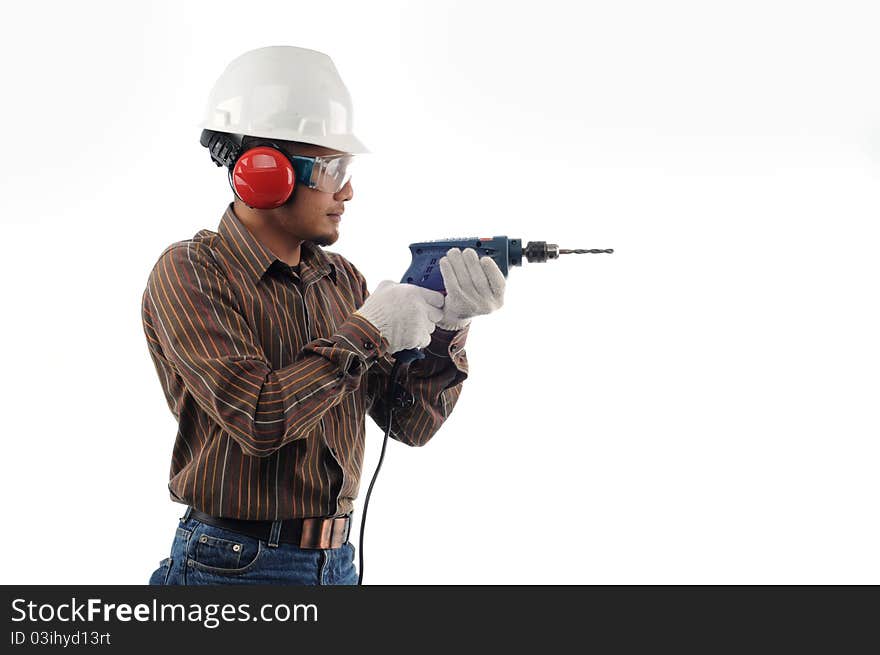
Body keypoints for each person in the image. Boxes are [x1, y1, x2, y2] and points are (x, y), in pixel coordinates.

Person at [143, 46, 505, 585]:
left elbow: (409, 424)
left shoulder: (343, 281)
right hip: (234, 569)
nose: (349, 191)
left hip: (337, 564)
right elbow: (258, 419)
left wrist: (447, 331)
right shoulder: (192, 272)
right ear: (264, 173)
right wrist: (367, 333)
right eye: (332, 168)